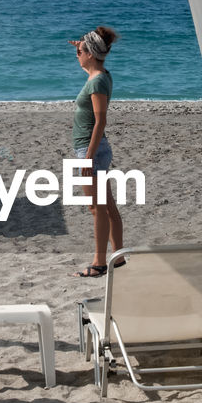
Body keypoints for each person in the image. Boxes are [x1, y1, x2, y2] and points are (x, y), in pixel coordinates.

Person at [69, 26, 125, 277]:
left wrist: (88, 157)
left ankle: (99, 263)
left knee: (96, 208)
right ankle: (119, 257)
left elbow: (101, 121)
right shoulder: (99, 74)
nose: (77, 54)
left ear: (90, 54)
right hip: (95, 147)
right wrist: (80, 45)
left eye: (80, 51)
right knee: (108, 206)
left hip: (91, 148)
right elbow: (88, 67)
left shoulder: (98, 81)